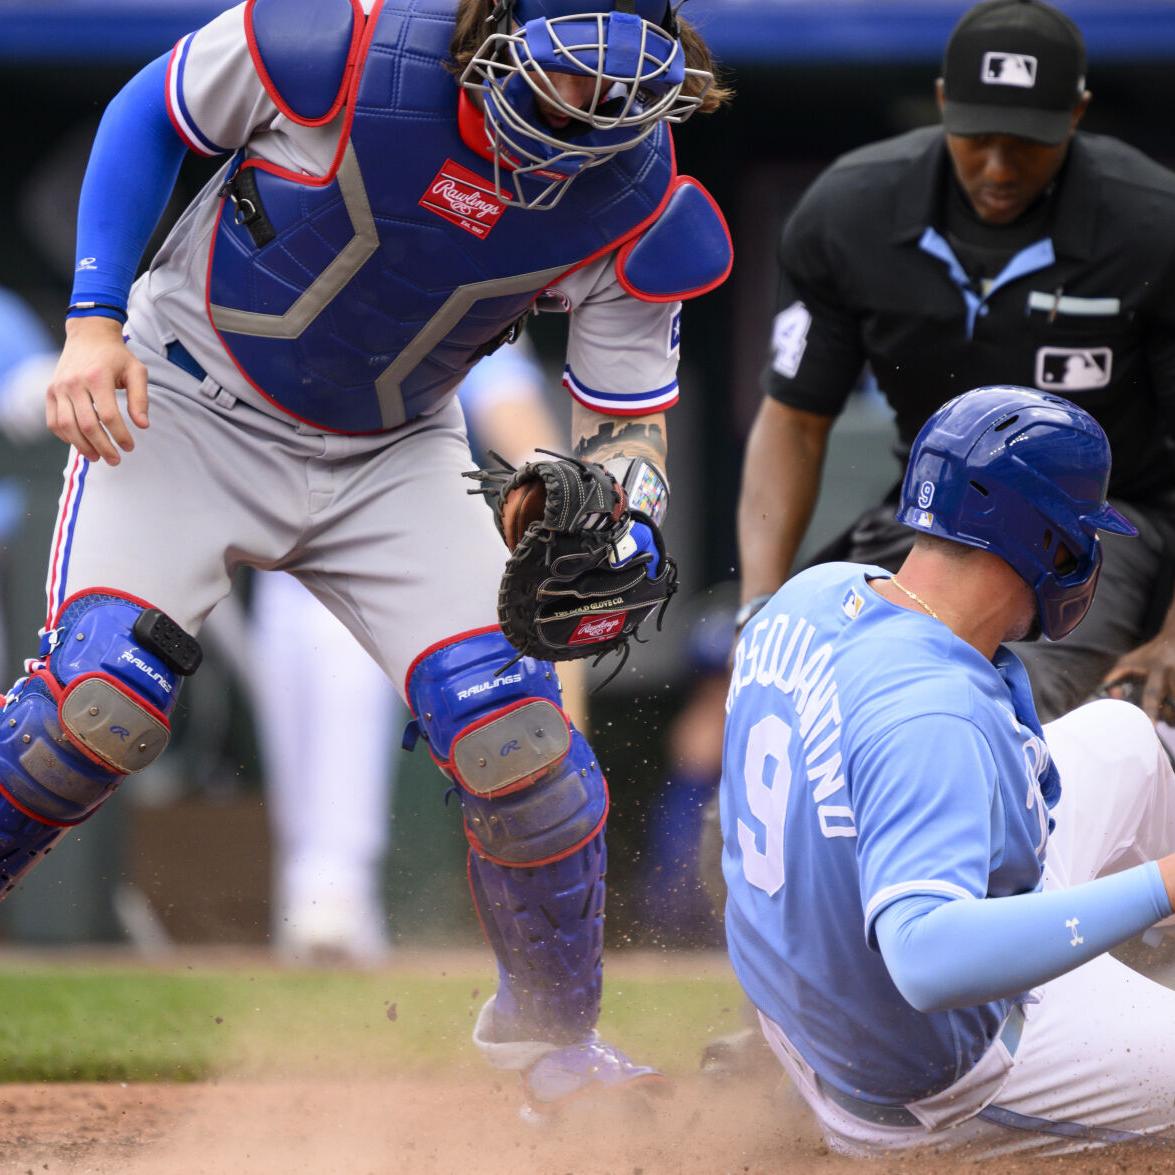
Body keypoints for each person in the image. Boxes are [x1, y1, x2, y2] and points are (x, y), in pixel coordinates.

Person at [4, 0, 732, 1114]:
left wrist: (622, 516)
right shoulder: (333, 43)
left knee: (520, 742)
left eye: (623, 86)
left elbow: (624, 418)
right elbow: (147, 113)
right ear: (493, 29)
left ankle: (553, 1049)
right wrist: (94, 317)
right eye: (567, 77)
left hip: (394, 448)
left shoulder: (642, 197)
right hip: (191, 400)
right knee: (96, 703)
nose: (589, 115)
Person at [722, 385, 1175, 1156]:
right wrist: (1163, 880)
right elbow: (929, 958)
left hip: (809, 1004)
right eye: (1078, 533)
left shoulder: (811, 594)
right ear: (1045, 539)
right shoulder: (937, 713)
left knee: (1123, 737)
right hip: (930, 1070)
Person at [737, 0, 1175, 725]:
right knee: (787, 689)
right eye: (977, 136)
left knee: (992, 708)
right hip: (933, 507)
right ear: (942, 102)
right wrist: (757, 609)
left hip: (1105, 519)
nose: (998, 166)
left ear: (1075, 113)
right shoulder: (850, 212)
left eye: (1027, 141)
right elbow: (794, 420)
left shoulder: (1150, 227)